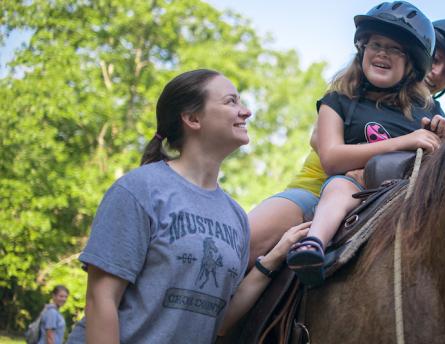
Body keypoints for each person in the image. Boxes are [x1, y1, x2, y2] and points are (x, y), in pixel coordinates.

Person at [66, 69, 307, 344]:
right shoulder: (139, 190)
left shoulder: (236, 217)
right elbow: (101, 300)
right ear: (192, 119)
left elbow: (220, 321)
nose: (246, 111)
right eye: (231, 102)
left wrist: (273, 259)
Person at [245, 17, 445, 274]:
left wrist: (444, 145)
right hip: (316, 191)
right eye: (436, 61)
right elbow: (324, 146)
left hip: (390, 201)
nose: (437, 73)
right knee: (243, 243)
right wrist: (403, 143)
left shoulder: (433, 115)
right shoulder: (347, 96)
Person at [282, 1, 445, 286]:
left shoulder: (429, 108)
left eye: (395, 49)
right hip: (352, 186)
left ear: (411, 63)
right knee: (339, 186)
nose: (383, 53)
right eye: (375, 44)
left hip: (408, 195)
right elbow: (331, 158)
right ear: (362, 48)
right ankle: (313, 244)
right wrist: (407, 140)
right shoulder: (339, 100)